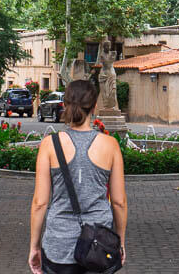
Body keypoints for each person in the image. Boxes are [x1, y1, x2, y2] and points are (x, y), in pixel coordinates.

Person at [29, 80, 127, 274]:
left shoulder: (49, 144)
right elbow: (119, 202)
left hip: (58, 246)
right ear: (94, 106)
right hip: (99, 247)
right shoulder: (110, 145)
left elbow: (40, 203)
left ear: (65, 104)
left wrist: (34, 246)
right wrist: (120, 241)